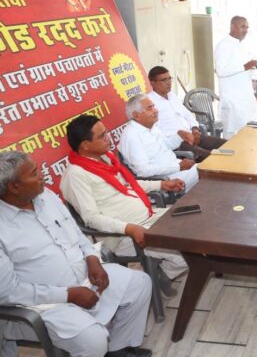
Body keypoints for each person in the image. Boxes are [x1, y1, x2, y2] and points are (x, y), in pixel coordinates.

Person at [0, 152, 153, 357]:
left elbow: (77, 234)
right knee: (93, 340)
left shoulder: (46, 196)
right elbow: (8, 292)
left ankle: (118, 349)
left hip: (85, 278)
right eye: (34, 173)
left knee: (140, 284)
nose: (42, 175)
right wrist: (68, 295)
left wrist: (92, 259)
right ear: (14, 187)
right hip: (44, 305)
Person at [61, 114, 188, 283]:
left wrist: (162, 184)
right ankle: (158, 280)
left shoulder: (105, 159)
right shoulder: (76, 176)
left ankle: (158, 275)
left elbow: (129, 185)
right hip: (123, 236)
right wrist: (129, 229)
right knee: (189, 252)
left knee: (193, 226)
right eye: (102, 136)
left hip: (149, 216)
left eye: (106, 132)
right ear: (85, 145)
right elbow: (91, 218)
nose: (108, 138)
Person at [118, 94, 199, 192]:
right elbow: (143, 171)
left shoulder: (152, 126)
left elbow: (167, 145)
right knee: (207, 171)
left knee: (208, 170)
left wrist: (179, 135)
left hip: (176, 168)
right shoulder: (131, 136)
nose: (156, 110)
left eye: (154, 106)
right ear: (136, 115)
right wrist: (178, 167)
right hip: (164, 180)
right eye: (150, 108)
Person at [147, 66, 226, 162]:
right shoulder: (149, 102)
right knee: (213, 158)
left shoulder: (172, 95)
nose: (169, 82)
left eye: (169, 78)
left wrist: (195, 129)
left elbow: (187, 114)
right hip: (177, 143)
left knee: (227, 145)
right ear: (152, 83)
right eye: (164, 80)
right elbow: (155, 131)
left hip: (192, 135)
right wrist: (179, 138)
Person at [214, 15, 257, 138]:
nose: (245, 30)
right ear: (233, 27)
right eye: (242, 27)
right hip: (233, 100)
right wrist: (244, 66)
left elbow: (251, 74)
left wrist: (253, 68)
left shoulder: (243, 46)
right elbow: (220, 71)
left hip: (247, 98)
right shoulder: (223, 45)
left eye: (247, 27)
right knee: (234, 136)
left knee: (253, 133)